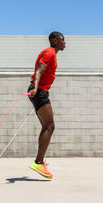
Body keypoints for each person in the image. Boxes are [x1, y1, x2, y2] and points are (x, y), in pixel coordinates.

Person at [27, 31, 66, 179]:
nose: (65, 42)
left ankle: (39, 162)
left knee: (47, 126)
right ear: (55, 41)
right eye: (63, 40)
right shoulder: (49, 53)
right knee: (49, 126)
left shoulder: (52, 54)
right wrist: (36, 88)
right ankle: (38, 162)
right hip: (38, 91)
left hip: (41, 91)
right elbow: (38, 72)